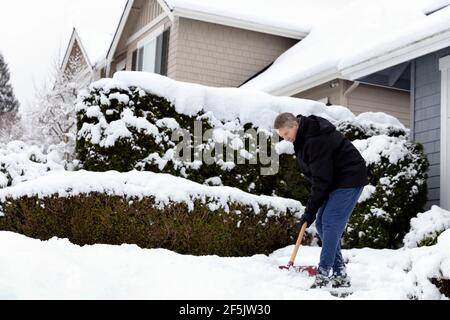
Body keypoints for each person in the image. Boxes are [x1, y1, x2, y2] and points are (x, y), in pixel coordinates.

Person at [274, 113, 368, 289]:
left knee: (331, 222)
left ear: (295, 125)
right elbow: (319, 177)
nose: (286, 139)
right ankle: (339, 272)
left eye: (286, 134)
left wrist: (310, 210)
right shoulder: (301, 139)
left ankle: (324, 272)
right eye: (282, 137)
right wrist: (311, 211)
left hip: (349, 177)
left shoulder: (315, 139)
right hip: (333, 180)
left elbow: (321, 179)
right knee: (321, 224)